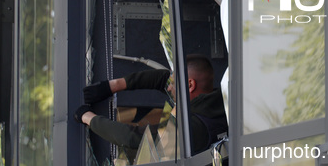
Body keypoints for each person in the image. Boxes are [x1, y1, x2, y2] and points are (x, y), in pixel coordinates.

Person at [74, 54, 228, 157]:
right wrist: (112, 86)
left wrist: (88, 117)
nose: (168, 88)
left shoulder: (193, 128)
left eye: (173, 84)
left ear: (190, 85)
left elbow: (134, 138)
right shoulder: (219, 100)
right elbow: (162, 78)